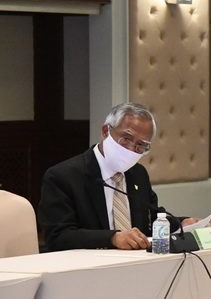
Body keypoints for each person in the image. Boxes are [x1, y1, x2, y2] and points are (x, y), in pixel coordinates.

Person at [37, 102, 195, 251]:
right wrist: (112, 238)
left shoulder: (138, 173)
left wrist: (181, 224)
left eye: (141, 145)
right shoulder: (63, 176)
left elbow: (152, 217)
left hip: (136, 263)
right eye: (126, 138)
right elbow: (58, 236)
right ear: (106, 131)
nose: (131, 149)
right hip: (89, 266)